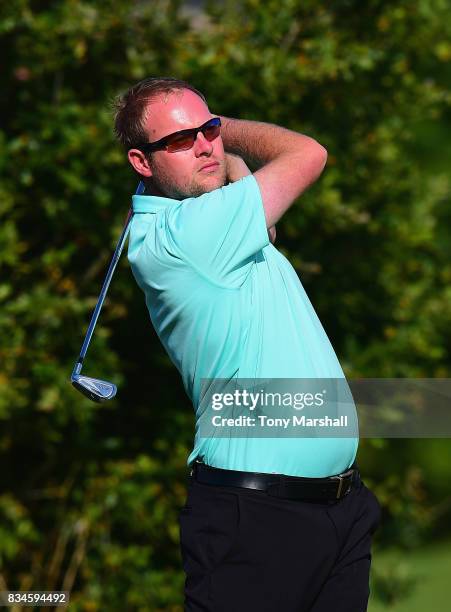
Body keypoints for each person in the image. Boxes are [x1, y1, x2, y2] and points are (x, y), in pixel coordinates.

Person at [113, 77, 381, 612]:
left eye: (207, 131)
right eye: (180, 140)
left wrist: (209, 144)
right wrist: (227, 126)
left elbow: (255, 208)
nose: (204, 145)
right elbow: (307, 153)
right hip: (257, 518)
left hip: (337, 509)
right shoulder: (189, 238)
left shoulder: (206, 222)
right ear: (142, 164)